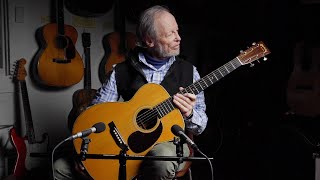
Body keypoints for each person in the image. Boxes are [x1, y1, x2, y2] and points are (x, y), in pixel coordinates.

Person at [53, 5, 208, 180]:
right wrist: (84, 149)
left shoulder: (189, 72)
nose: (179, 38)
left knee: (161, 160)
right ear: (149, 41)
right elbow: (94, 115)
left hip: (168, 144)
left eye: (177, 31)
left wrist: (189, 113)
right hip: (124, 144)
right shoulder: (121, 70)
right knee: (59, 168)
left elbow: (200, 127)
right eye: (170, 34)